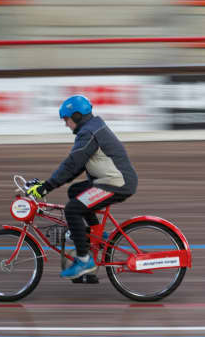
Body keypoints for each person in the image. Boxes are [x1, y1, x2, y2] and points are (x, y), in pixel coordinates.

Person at [24, 94, 138, 279]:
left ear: (77, 116)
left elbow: (72, 164)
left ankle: (84, 261)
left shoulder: (88, 133)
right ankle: (98, 234)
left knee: (73, 210)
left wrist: (46, 187)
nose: (66, 124)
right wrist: (47, 184)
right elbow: (76, 166)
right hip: (110, 180)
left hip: (115, 183)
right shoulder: (92, 128)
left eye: (67, 119)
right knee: (75, 191)